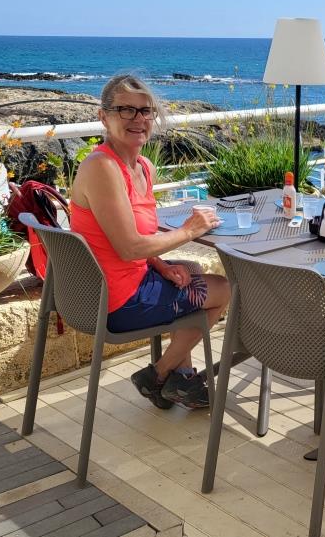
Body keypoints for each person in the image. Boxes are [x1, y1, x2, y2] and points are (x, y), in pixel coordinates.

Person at [70, 74, 229, 410]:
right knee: (226, 289)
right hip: (116, 302)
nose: (138, 119)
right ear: (104, 117)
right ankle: (158, 374)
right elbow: (129, 248)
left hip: (120, 283)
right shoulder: (102, 167)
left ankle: (180, 379)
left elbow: (133, 238)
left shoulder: (144, 166)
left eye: (145, 111)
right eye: (126, 110)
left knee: (190, 268)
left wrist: (161, 265)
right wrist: (189, 230)